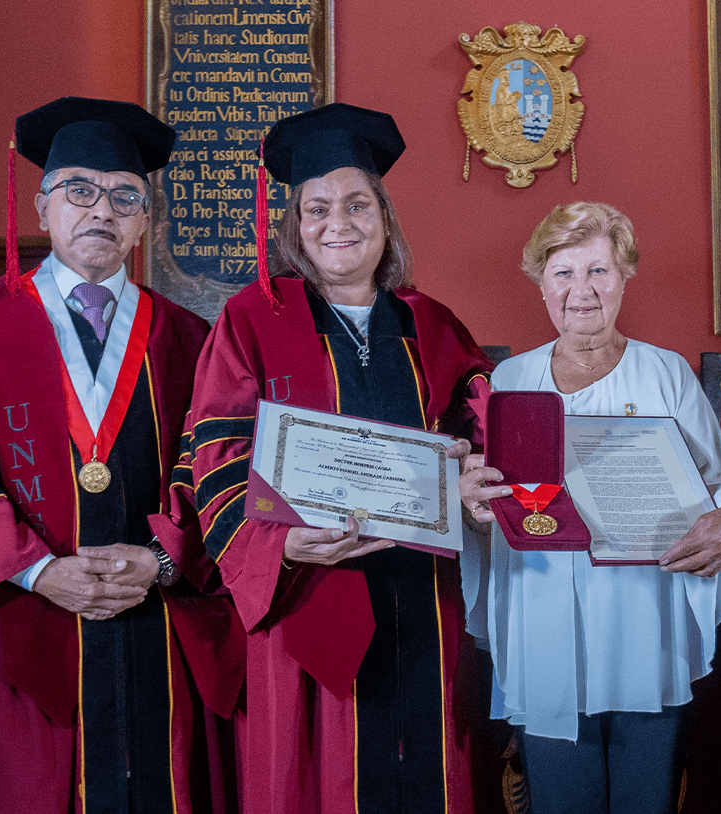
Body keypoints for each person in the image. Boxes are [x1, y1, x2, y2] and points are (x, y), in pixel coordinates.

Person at [0, 97, 235, 814]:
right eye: (78, 190)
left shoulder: (188, 337)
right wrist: (37, 570)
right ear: (42, 205)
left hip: (153, 617)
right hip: (23, 616)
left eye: (124, 197)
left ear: (144, 221)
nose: (100, 210)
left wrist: (163, 557)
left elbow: (217, 465)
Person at [184, 103, 492, 814]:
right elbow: (218, 460)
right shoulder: (251, 321)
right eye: (316, 208)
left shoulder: (434, 325)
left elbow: (481, 435)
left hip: (423, 602)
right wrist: (281, 543)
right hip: (308, 601)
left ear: (384, 217)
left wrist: (476, 482)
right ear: (294, 226)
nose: (338, 222)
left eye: (357, 204)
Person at [458, 201, 721, 814]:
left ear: (625, 277)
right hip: (540, 616)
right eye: (563, 273)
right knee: (559, 797)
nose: (581, 291)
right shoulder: (509, 380)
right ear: (540, 283)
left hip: (644, 619)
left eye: (599, 271)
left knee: (646, 795)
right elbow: (482, 501)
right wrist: (471, 503)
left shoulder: (665, 374)